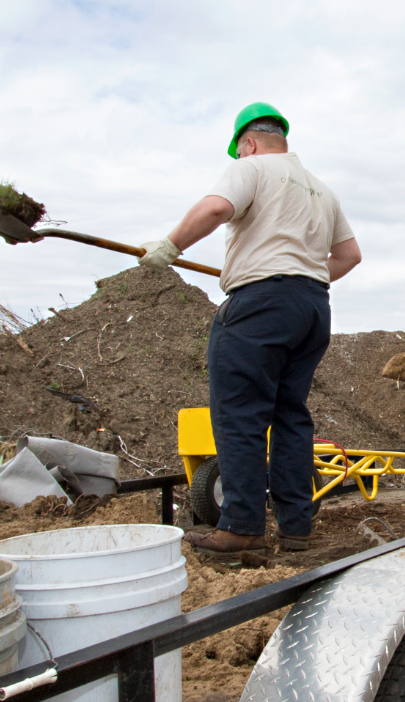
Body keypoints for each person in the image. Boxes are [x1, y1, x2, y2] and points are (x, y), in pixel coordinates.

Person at [141, 103, 361, 557]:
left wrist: (170, 245)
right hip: (313, 308)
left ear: (249, 142)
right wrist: (301, 274)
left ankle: (242, 528)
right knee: (289, 415)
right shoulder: (322, 191)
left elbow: (218, 207)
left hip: (260, 305)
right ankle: (296, 526)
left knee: (240, 414)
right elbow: (349, 255)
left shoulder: (252, 168)